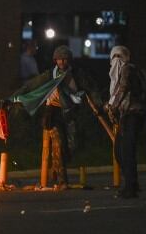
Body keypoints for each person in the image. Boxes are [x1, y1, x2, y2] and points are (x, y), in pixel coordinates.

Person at [12, 45, 98, 190]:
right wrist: (15, 97)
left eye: (65, 59)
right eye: (59, 59)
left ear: (69, 60)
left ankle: (55, 170)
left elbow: (90, 89)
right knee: (59, 145)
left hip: (70, 113)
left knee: (71, 146)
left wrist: (98, 105)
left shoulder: (76, 75)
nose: (62, 62)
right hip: (53, 113)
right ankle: (61, 180)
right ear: (55, 61)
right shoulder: (50, 75)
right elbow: (31, 85)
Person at [105, 45, 146, 198]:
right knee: (119, 151)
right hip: (128, 115)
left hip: (132, 114)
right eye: (114, 57)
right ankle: (132, 183)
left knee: (126, 152)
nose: (115, 60)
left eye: (118, 57)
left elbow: (122, 89)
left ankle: (130, 187)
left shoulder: (127, 69)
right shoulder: (127, 70)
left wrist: (112, 105)